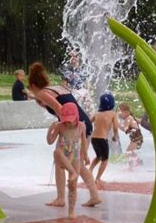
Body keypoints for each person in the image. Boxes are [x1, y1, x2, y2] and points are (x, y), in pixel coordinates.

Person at [28, 62, 101, 207]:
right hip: (84, 124)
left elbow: (60, 108)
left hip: (72, 128)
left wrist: (61, 128)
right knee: (78, 164)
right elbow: (67, 104)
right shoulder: (58, 88)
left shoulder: (43, 93)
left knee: (61, 162)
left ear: (32, 85)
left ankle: (61, 198)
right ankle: (94, 195)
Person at [46, 103, 85, 219]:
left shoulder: (81, 126)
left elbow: (83, 141)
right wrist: (50, 130)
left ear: (77, 117)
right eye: (67, 121)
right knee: (56, 152)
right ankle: (71, 173)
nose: (69, 123)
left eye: (72, 120)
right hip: (62, 156)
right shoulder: (60, 126)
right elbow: (50, 141)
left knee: (73, 184)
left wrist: (86, 155)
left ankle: (71, 211)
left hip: (75, 157)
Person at [89, 93, 119, 185]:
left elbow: (89, 122)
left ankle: (89, 172)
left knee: (98, 156)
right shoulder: (113, 114)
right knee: (104, 160)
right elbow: (115, 127)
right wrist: (115, 136)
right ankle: (97, 179)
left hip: (93, 138)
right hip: (102, 138)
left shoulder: (97, 113)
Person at [118, 103, 144, 170]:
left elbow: (125, 129)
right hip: (137, 137)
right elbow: (137, 122)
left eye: (120, 111)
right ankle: (138, 161)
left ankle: (132, 166)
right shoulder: (130, 117)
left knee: (128, 152)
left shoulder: (128, 118)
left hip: (136, 138)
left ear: (126, 112)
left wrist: (117, 125)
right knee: (130, 152)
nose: (119, 113)